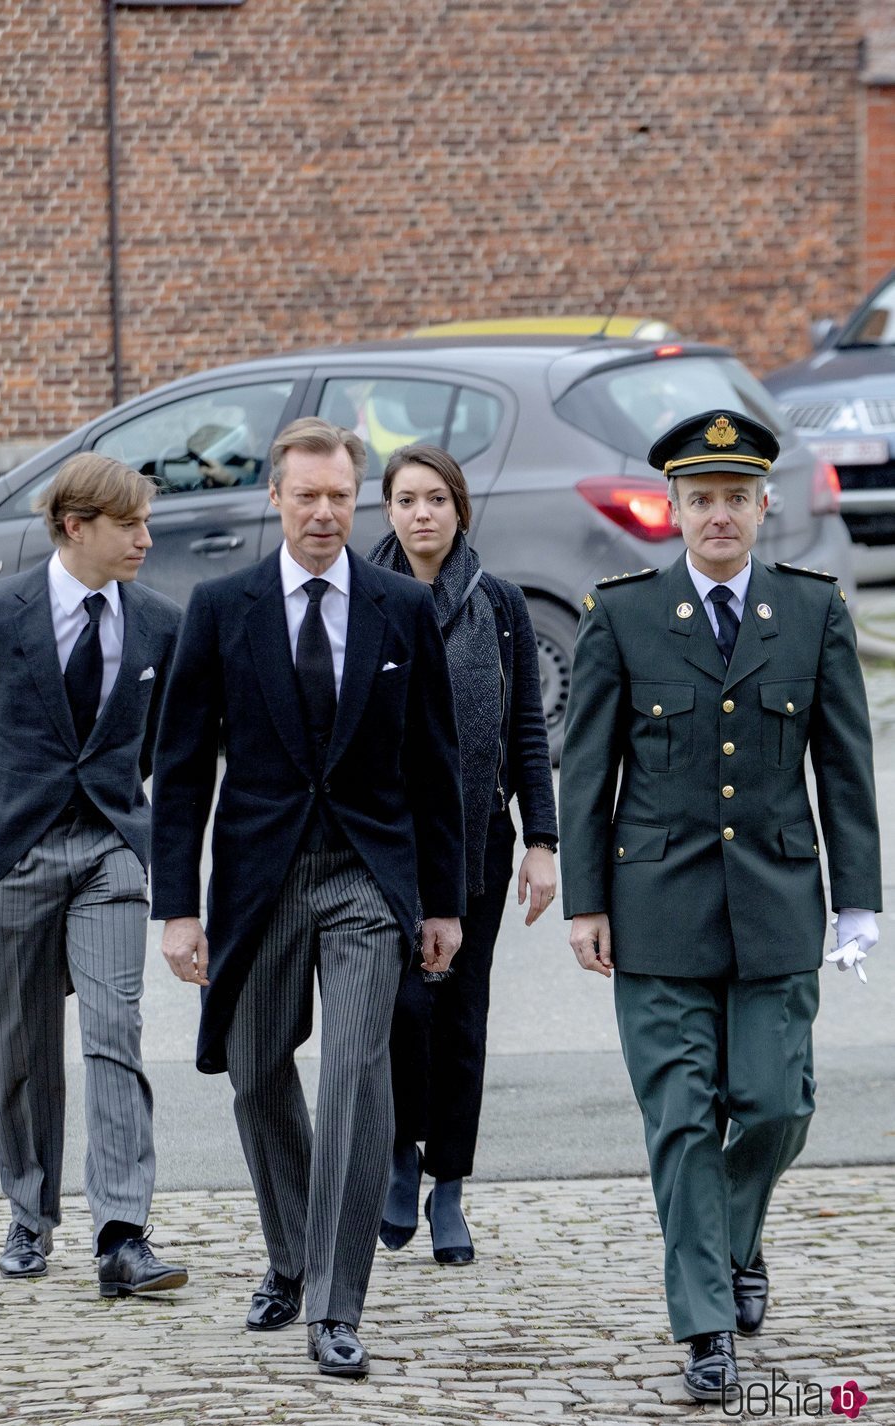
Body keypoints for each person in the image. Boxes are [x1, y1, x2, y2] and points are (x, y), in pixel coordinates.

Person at [559, 410, 881, 1403]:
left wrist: (856, 900)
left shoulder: (813, 610)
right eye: (698, 499)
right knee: (683, 1124)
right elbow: (584, 768)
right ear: (671, 508)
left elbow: (844, 764)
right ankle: (704, 1327)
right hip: (655, 908)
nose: (716, 516)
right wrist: (584, 901)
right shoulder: (620, 615)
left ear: (761, 505)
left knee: (776, 1104)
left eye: (733, 498)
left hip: (779, 903)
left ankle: (732, 1238)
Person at [151, 417, 465, 1379]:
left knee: (357, 1074)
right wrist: (178, 907)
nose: (324, 512)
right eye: (306, 495)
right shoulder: (221, 607)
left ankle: (334, 1298)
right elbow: (178, 771)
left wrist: (442, 902)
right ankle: (289, 1255)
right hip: (259, 881)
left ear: (354, 498)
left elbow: (437, 766)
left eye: (339, 496)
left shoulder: (400, 609)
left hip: (369, 878)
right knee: (255, 1074)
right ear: (276, 499)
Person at [0, 453, 188, 1298]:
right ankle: (29, 1213)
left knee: (116, 1032)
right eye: (130, 525)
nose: (146, 540)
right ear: (75, 527)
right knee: (22, 1045)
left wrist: (118, 807)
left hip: (111, 849)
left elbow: (156, 748)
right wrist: (6, 810)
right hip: (13, 853)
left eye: (148, 524)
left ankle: (122, 1233)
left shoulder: (157, 621)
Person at [368, 443, 557, 1264]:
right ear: (388, 511)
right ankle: (398, 1156)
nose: (422, 514)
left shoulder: (501, 606)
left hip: (478, 836)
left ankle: (449, 1183)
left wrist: (542, 841)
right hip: (382, 842)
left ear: (460, 509)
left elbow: (527, 735)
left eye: (436, 499)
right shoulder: (361, 598)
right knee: (398, 1009)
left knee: (460, 1017)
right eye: (407, 500)